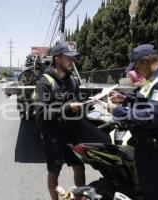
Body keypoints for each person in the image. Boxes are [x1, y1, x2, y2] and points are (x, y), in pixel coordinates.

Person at [107, 44, 158, 200]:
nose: (136, 71)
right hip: (150, 146)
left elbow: (152, 116)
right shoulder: (157, 76)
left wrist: (118, 111)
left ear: (145, 60)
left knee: (155, 195)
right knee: (146, 190)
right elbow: (145, 98)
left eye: (136, 67)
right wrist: (125, 99)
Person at [35, 42, 111, 200]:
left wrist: (87, 105)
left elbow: (77, 103)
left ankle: (79, 198)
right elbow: (42, 112)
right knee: (54, 172)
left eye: (73, 58)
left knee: (79, 167)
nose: (72, 62)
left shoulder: (73, 81)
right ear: (57, 59)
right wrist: (67, 108)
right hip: (53, 134)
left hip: (71, 132)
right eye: (68, 58)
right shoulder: (45, 82)